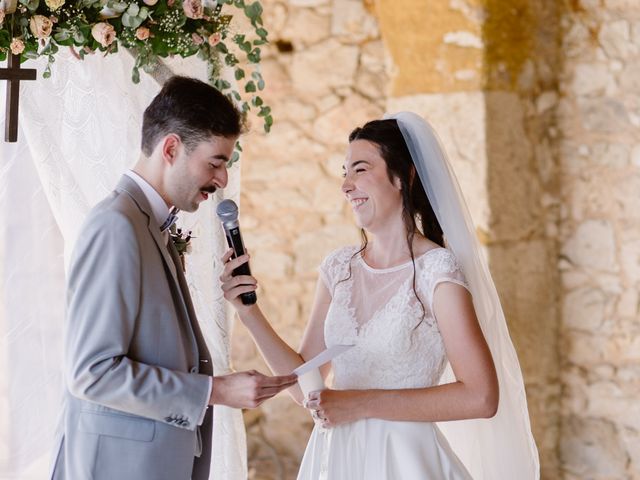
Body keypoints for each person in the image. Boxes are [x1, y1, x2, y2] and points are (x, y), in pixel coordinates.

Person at [221, 112, 540, 479]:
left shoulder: (438, 272)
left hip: (405, 462)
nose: (345, 185)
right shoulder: (338, 268)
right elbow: (300, 386)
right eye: (344, 172)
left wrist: (360, 404)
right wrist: (248, 313)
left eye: (359, 169)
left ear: (404, 177)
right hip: (337, 460)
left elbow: (481, 397)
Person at [50, 76, 297, 480]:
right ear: (171, 148)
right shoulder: (117, 226)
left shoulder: (151, 226)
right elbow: (91, 372)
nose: (222, 180)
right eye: (215, 162)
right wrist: (215, 391)